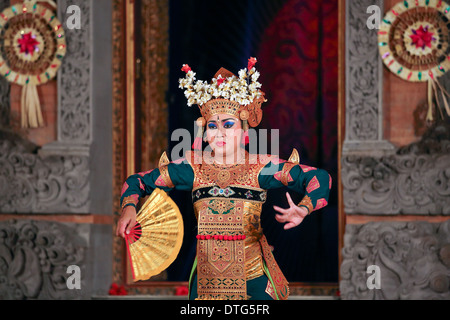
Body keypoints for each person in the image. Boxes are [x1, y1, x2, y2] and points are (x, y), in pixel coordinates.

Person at [116, 58, 331, 300]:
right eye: (212, 126)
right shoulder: (192, 168)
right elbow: (136, 181)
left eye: (228, 125)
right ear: (204, 132)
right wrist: (129, 208)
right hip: (206, 284)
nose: (219, 133)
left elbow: (318, 177)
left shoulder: (261, 167)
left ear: (244, 130)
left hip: (254, 281)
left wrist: (304, 208)